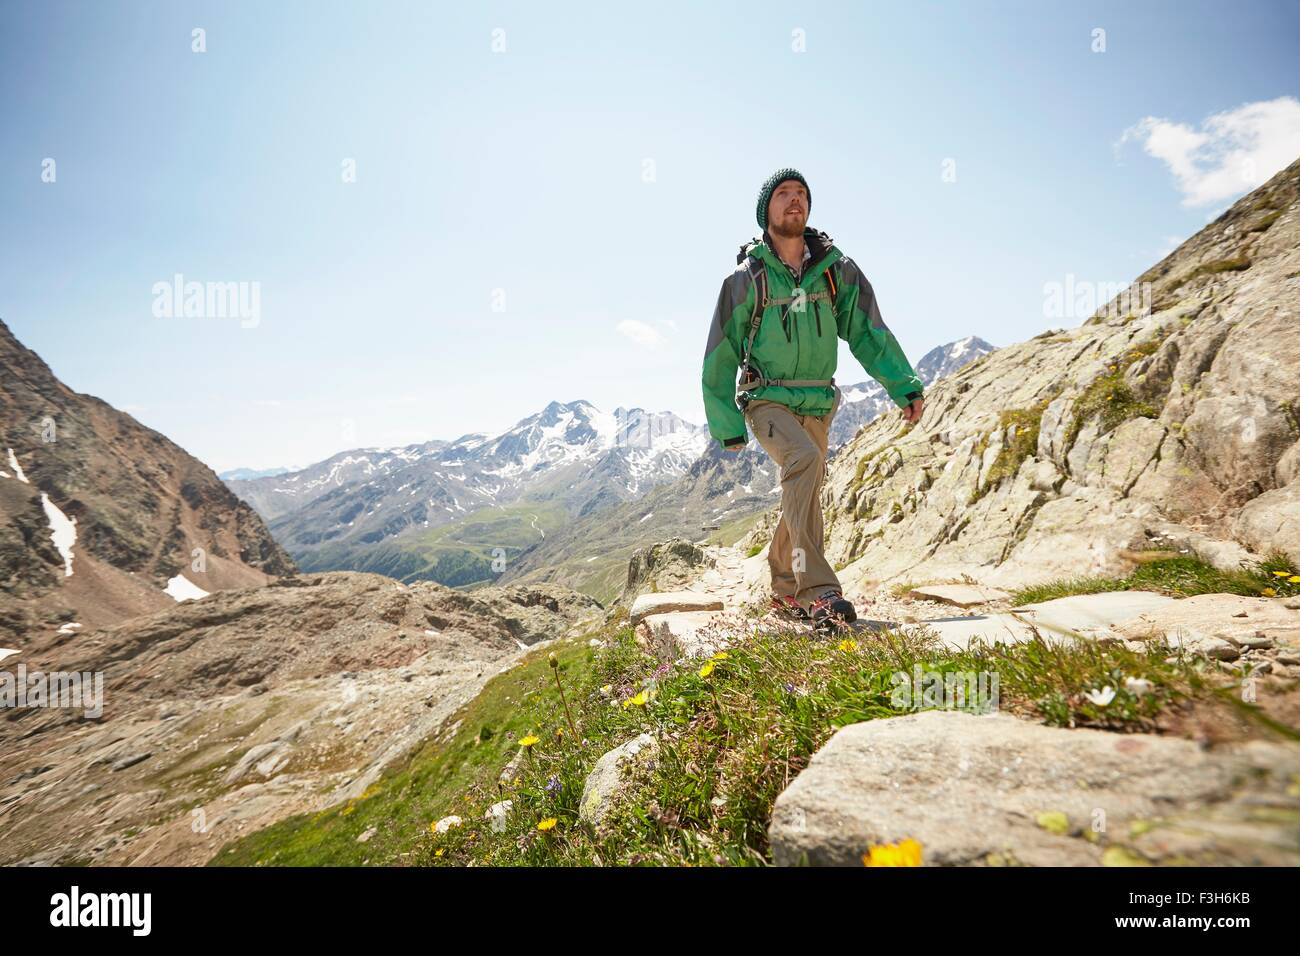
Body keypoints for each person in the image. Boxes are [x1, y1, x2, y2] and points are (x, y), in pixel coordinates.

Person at [700, 168, 925, 629]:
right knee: (803, 462)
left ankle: (784, 588)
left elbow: (868, 333)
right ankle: (819, 592)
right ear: (766, 211)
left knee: (803, 487)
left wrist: (903, 384)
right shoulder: (746, 280)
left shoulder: (836, 272)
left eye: (801, 193)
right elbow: (720, 354)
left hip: (819, 403)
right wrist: (726, 425)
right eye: (783, 194)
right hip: (766, 400)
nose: (794, 200)